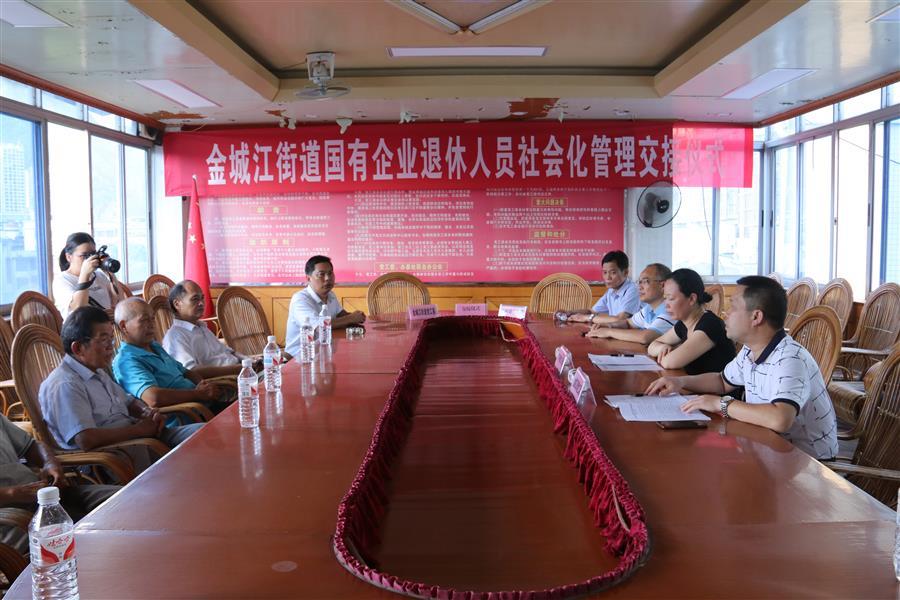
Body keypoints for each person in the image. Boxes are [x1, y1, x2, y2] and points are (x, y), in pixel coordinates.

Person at [646, 275, 838, 460]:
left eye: (733, 307)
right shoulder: (750, 350)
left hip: (807, 462)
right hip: (768, 446)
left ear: (756, 316)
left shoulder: (790, 358)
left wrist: (720, 404)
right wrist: (679, 382)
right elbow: (722, 381)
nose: (726, 314)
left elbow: (780, 418)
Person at [39, 306, 204, 474]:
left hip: (138, 438)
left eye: (111, 339)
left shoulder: (97, 371)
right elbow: (86, 439)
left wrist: (147, 412)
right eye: (104, 340)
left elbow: (129, 401)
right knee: (192, 463)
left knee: (203, 434)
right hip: (111, 458)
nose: (111, 347)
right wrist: (138, 431)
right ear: (78, 348)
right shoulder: (65, 384)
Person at [0, 413, 120, 554]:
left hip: (47, 496)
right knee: (102, 540)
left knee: (126, 501)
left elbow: (32, 445)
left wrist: (49, 462)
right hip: (13, 521)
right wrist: (13, 494)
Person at [112, 298, 225, 412]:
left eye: (152, 319)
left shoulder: (154, 346)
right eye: (144, 320)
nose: (152, 325)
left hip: (202, 404)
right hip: (185, 414)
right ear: (123, 326)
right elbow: (153, 398)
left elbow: (185, 372)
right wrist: (197, 394)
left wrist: (204, 386)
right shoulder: (126, 361)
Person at [647, 268, 735, 374]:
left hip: (712, 385)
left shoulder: (710, 325)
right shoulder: (684, 324)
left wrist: (668, 352)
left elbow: (670, 362)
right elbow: (651, 346)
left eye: (671, 298)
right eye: (665, 298)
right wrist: (664, 347)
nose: (666, 304)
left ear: (692, 299)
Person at [162, 280, 251, 376]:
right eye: (195, 299)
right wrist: (238, 369)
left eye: (202, 298)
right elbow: (191, 371)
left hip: (241, 371)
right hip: (225, 379)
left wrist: (248, 361)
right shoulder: (175, 336)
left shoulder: (201, 327)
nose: (201, 303)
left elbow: (228, 351)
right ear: (177, 304)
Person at [285, 255, 366, 356]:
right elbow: (318, 327)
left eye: (330, 273)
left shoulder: (330, 294)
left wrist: (356, 316)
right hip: (300, 355)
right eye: (321, 274)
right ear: (308, 278)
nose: (327, 278)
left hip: (325, 350)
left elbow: (341, 314)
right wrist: (351, 318)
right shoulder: (300, 299)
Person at [586, 263, 674, 344]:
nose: (639, 287)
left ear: (662, 285)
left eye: (645, 281)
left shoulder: (670, 311)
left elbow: (645, 337)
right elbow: (628, 323)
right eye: (639, 282)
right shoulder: (649, 308)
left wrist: (609, 332)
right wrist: (607, 326)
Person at [52, 232, 129, 319]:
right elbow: (78, 308)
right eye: (85, 255)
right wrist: (85, 274)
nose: (90, 259)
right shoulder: (62, 280)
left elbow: (119, 301)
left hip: (104, 325)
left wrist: (110, 272)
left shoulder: (99, 275)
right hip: (80, 326)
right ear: (69, 257)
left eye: (93, 254)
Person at [566, 250, 640, 325]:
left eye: (613, 273)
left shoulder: (633, 290)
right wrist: (569, 312)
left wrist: (587, 318)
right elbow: (592, 311)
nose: (607, 277)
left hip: (633, 332)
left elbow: (621, 319)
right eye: (605, 272)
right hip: (617, 330)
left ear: (625, 272)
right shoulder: (611, 290)